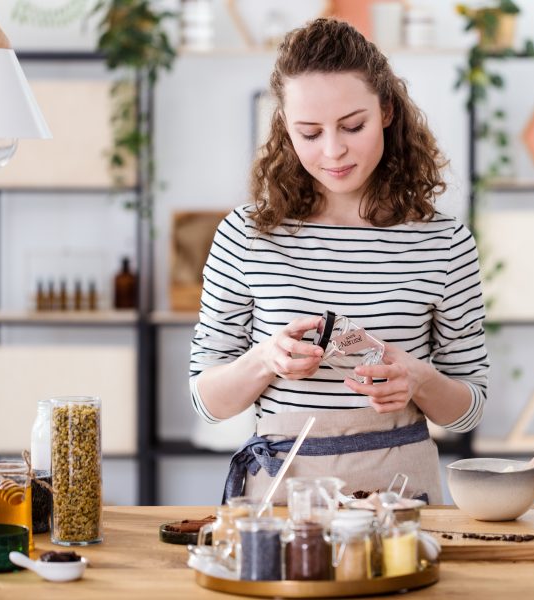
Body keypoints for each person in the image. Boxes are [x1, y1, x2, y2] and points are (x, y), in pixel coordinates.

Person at [189, 18, 488, 504]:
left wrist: (418, 378)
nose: (334, 151)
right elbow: (207, 402)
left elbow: (469, 409)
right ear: (285, 126)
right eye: (310, 132)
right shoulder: (245, 235)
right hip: (283, 500)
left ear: (387, 110)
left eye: (353, 126)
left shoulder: (444, 241)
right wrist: (266, 359)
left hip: (401, 499)